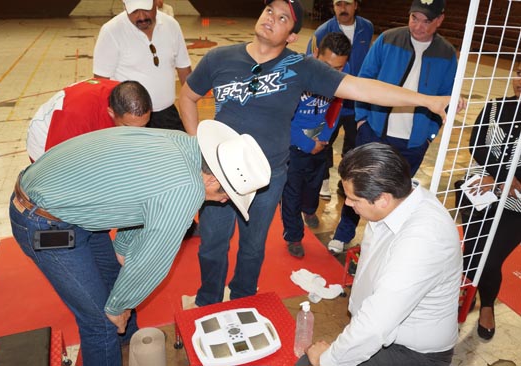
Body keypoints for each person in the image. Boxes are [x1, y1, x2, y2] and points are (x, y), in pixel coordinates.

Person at [179, 0, 451, 307]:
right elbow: (187, 96)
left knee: (253, 247)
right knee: (211, 245)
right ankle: (209, 301)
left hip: (267, 177)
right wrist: (199, 150)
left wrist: (426, 100)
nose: (271, 18)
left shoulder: (300, 67)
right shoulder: (219, 58)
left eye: (283, 18)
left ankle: (242, 300)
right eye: (270, 10)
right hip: (218, 174)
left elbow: (362, 88)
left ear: (292, 36)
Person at [9, 121, 271, 366]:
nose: (224, 202)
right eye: (226, 194)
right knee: (101, 323)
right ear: (213, 179)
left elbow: (138, 197)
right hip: (41, 218)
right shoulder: (187, 188)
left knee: (115, 279)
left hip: (72, 205)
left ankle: (127, 343)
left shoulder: (184, 145)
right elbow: (151, 260)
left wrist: (122, 248)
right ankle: (114, 337)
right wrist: (118, 307)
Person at [302, 143, 461, 366]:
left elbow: (376, 323)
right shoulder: (399, 202)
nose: (347, 203)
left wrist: (326, 361)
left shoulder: (423, 240)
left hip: (413, 353)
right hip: (386, 331)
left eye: (354, 199)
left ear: (382, 199)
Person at [328, 0, 458, 254]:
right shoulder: (388, 39)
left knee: (396, 197)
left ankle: (382, 246)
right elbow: (364, 79)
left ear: (440, 20)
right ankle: (343, 234)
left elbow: (446, 97)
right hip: (374, 131)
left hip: (412, 142)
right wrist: (363, 119)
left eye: (426, 21)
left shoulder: (446, 53)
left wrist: (429, 135)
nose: (418, 26)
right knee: (358, 186)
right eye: (414, 18)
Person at [460, 59, 521, 340]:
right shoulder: (496, 106)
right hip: (480, 190)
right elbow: (477, 144)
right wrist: (502, 179)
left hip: (516, 203)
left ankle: (487, 306)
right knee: (471, 251)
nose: (520, 80)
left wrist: (510, 183)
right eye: (520, 73)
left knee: (492, 256)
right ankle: (467, 295)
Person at [282, 32, 351, 258]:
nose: (330, 74)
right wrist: (305, 143)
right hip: (292, 144)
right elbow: (283, 117)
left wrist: (323, 140)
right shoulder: (294, 75)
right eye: (325, 65)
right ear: (315, 55)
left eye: (338, 68)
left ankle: (309, 210)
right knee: (291, 192)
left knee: (314, 183)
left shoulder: (343, 77)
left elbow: (335, 110)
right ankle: (293, 235)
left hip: (320, 142)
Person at [305, 0, 374, 200]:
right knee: (324, 141)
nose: (342, 8)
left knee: (354, 146)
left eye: (347, 3)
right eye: (338, 4)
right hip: (331, 102)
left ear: (356, 5)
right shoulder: (322, 31)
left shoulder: (366, 27)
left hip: (356, 102)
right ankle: (324, 180)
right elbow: (311, 64)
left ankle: (347, 183)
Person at [93, 0, 191, 131]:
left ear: (156, 3)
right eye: (134, 11)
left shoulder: (171, 25)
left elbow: (184, 68)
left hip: (167, 115)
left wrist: (190, 105)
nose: (141, 17)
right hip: (131, 122)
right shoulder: (111, 31)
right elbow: (101, 82)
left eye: (146, 9)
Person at [26, 78, 151, 162]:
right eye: (128, 127)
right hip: (46, 138)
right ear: (111, 113)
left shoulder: (129, 96)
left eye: (143, 126)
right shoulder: (76, 115)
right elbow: (55, 165)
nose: (137, 133)